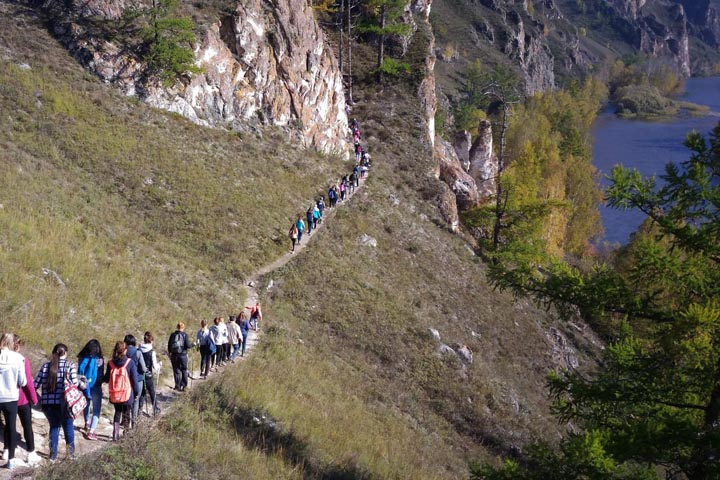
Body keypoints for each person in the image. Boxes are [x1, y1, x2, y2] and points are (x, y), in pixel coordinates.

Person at [35, 343, 77, 462]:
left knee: (54, 427)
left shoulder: (45, 366)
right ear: (65, 353)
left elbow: (36, 384)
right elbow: (74, 384)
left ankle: (52, 456)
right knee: (68, 427)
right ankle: (71, 455)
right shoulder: (69, 366)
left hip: (48, 404)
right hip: (65, 403)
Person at [0, 333, 27, 469]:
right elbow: (23, 381)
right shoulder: (18, 358)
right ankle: (10, 459)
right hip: (10, 397)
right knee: (11, 428)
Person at [11, 335, 39, 465]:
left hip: (5, 399)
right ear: (17, 346)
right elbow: (27, 382)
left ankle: (7, 451)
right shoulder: (22, 360)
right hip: (21, 399)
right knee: (27, 426)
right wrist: (34, 398)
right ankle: (31, 452)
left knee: (9, 427)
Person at [104, 341, 137, 441]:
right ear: (125, 350)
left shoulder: (110, 363)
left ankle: (115, 434)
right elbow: (134, 380)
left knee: (117, 412)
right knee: (127, 413)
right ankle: (126, 433)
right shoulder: (129, 363)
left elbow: (106, 378)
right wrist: (136, 392)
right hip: (126, 393)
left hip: (115, 393)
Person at [77, 339, 104, 440]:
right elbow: (101, 374)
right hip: (96, 386)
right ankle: (91, 431)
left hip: (83, 384)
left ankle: (86, 423)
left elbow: (79, 371)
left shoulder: (82, 357)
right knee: (96, 409)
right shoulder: (99, 359)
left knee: (86, 403)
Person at [123, 334, 146, 428]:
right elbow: (144, 368)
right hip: (138, 380)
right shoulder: (138, 352)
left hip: (125, 380)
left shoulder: (123, 352)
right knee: (136, 402)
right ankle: (134, 424)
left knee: (126, 401)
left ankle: (125, 424)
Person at [139, 332, 161, 416]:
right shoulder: (152, 352)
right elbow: (155, 366)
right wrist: (159, 365)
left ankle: (139, 410)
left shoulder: (139, 349)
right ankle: (155, 409)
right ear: (151, 341)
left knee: (142, 393)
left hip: (140, 374)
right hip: (148, 375)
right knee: (152, 392)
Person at [167, 322, 194, 392]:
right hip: (183, 355)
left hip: (174, 355)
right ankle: (184, 386)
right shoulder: (185, 335)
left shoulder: (172, 335)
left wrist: (170, 353)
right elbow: (187, 345)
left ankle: (177, 385)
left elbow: (169, 345)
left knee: (176, 370)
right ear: (183, 327)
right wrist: (193, 345)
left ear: (177, 327)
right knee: (184, 370)